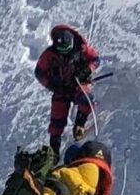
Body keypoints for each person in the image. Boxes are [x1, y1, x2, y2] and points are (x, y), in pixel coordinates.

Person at [34, 24, 100, 152]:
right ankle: (54, 150)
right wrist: (51, 84)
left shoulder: (82, 49)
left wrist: (87, 69)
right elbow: (39, 73)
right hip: (60, 90)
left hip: (78, 85)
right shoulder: (49, 55)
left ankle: (80, 124)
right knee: (57, 120)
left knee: (86, 100)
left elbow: (96, 59)